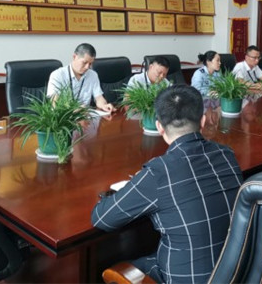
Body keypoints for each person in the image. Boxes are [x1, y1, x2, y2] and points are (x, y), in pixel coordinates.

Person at [92, 85, 242, 284]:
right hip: (235, 271)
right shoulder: (227, 154)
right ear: (203, 121)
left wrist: (138, 182)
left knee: (118, 268)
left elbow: (102, 218)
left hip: (186, 279)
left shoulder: (158, 172)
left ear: (159, 127)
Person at [47, 43, 116, 113]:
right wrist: (75, 110)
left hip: (85, 117)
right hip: (64, 117)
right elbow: (55, 106)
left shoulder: (93, 75)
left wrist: (104, 105)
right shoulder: (57, 75)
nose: (87, 67)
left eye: (90, 63)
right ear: (74, 57)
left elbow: (98, 98)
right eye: (84, 62)